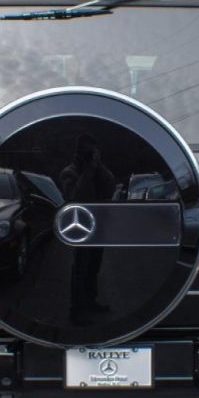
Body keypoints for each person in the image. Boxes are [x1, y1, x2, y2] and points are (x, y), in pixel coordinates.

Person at [59, 134, 116, 324]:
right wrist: (88, 171)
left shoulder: (98, 170)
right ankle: (75, 308)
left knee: (94, 265)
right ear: (79, 152)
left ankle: (91, 300)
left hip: (98, 224)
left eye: (93, 150)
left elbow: (110, 187)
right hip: (79, 226)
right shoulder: (70, 171)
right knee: (80, 268)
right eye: (87, 150)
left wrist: (99, 167)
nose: (90, 154)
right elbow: (76, 196)